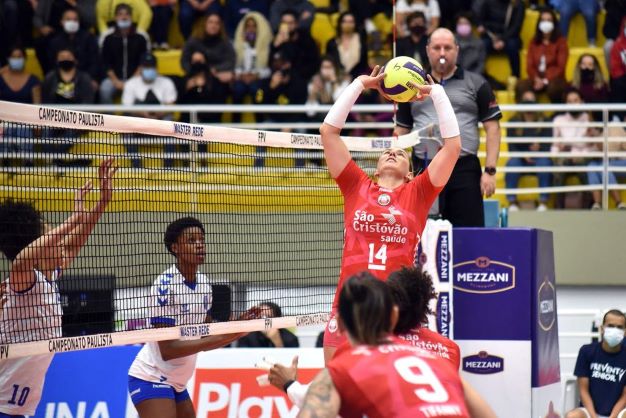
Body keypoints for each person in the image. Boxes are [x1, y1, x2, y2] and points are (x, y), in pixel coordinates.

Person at [320, 63, 461, 362]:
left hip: (396, 312)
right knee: (337, 396)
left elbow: (452, 147)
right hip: (348, 308)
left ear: (411, 174)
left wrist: (436, 92)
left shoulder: (418, 193)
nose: (393, 151)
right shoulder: (356, 185)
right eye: (387, 151)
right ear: (375, 168)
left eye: (402, 154)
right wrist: (360, 84)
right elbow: (328, 132)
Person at [0, 158, 117, 417]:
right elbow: (21, 261)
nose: (61, 242)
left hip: (18, 408)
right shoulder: (22, 282)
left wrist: (101, 203)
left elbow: (74, 245)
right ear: (38, 247)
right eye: (53, 238)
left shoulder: (47, 278)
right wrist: (73, 220)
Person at [297, 274, 496, 418]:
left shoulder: (343, 368)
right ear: (393, 316)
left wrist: (290, 385)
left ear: (338, 324)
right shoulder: (436, 361)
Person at [265, 265, 461, 406]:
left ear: (389, 311)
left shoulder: (367, 350)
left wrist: (289, 383)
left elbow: (323, 401)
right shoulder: (449, 350)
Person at [128, 217, 258, 418]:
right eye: (191, 240)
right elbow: (168, 350)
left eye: (202, 240)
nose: (200, 245)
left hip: (178, 382)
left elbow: (206, 333)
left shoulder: (205, 285)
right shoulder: (165, 287)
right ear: (175, 248)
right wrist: (227, 335)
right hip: (151, 375)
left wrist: (236, 326)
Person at [396, 28, 502, 227]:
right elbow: (400, 130)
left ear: (457, 50)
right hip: (423, 167)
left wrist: (490, 171)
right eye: (437, 48)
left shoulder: (477, 83)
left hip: (463, 169)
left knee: (468, 232)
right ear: (428, 50)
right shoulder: (411, 86)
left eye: (448, 48)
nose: (442, 53)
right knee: (420, 231)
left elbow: (493, 129)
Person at [565, 309, 626, 418]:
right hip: (589, 411)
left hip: (618, 413)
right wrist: (593, 416)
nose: (615, 330)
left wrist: (613, 416)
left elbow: (625, 395)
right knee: (572, 416)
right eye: (610, 326)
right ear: (602, 328)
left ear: (625, 331)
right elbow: (583, 390)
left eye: (619, 327)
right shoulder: (586, 351)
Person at [505, 89, 553, 211]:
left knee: (545, 162)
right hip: (521, 158)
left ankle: (543, 202)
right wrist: (524, 154)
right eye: (526, 100)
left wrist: (540, 147)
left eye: (531, 100)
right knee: (512, 163)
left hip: (540, 156)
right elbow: (512, 147)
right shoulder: (513, 122)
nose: (529, 103)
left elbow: (548, 146)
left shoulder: (545, 121)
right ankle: (512, 203)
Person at [99, 3, 149, 104]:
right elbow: (105, 62)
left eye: (127, 14)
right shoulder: (108, 38)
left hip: (136, 78)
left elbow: (143, 62)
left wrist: (132, 81)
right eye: (120, 14)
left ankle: (132, 118)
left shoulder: (141, 37)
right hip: (113, 79)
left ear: (131, 17)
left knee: (141, 92)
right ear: (115, 18)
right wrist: (115, 81)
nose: (124, 17)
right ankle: (111, 119)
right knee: (104, 89)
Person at [516, 8, 568, 103]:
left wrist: (545, 81)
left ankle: (557, 114)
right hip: (536, 79)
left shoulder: (561, 42)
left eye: (549, 20)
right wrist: (536, 79)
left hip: (554, 80)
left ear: (554, 23)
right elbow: (529, 65)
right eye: (543, 20)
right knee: (521, 86)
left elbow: (561, 67)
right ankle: (525, 115)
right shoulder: (533, 42)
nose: (546, 23)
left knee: (555, 88)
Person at [180, 13, 235, 93]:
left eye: (217, 23)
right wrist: (195, 73)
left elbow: (230, 61)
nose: (214, 25)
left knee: (225, 80)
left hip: (217, 75)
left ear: (220, 26)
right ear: (204, 24)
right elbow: (184, 61)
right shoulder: (193, 40)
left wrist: (213, 70)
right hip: (196, 74)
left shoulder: (225, 42)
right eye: (210, 22)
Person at [47, 8, 100, 85]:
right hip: (62, 78)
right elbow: (52, 64)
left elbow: (94, 62)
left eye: (75, 20)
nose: (72, 22)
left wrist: (92, 79)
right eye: (68, 19)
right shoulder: (55, 42)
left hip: (85, 77)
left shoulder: (89, 38)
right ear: (61, 22)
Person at [472, 0, 524, 79]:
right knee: (482, 45)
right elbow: (480, 20)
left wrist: (502, 39)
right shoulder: (487, 2)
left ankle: (515, 77)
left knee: (512, 46)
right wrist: (480, 26)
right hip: (490, 36)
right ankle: (478, 75)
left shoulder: (517, 4)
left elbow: (516, 27)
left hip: (509, 37)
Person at [232, 12, 272, 107]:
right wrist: (241, 75)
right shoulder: (236, 45)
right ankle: (235, 119)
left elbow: (270, 69)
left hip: (260, 79)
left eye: (254, 26)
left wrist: (257, 75)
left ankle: (260, 118)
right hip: (241, 78)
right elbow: (232, 66)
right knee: (238, 90)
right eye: (248, 26)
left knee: (258, 91)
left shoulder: (267, 46)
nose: (251, 29)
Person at [270, 9, 320, 82]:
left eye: (290, 23)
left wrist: (288, 43)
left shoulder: (306, 39)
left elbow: (312, 65)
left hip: (301, 77)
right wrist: (275, 46)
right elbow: (271, 63)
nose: (287, 26)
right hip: (279, 77)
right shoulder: (276, 38)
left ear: (296, 24)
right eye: (284, 23)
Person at [587, 125, 626, 210]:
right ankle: (597, 204)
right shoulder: (588, 133)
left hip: (621, 161)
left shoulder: (616, 129)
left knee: (604, 166)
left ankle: (619, 202)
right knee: (591, 167)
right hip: (603, 162)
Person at [325, 12, 369, 79]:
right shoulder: (331, 43)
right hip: (336, 79)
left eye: (351, 22)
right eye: (344, 21)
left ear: (355, 24)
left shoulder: (361, 41)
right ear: (340, 24)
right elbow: (329, 63)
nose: (347, 24)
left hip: (357, 79)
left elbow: (364, 65)